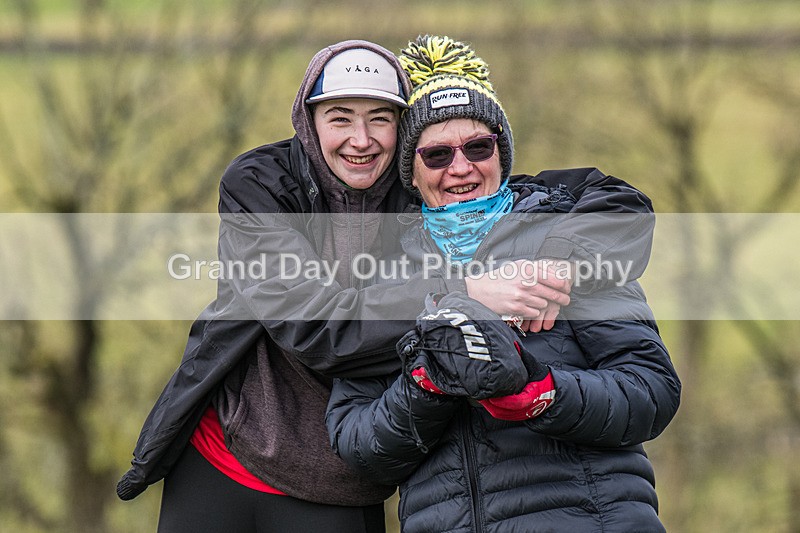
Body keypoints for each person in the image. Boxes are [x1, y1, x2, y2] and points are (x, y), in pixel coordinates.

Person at [117, 39, 656, 533]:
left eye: (380, 118)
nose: (361, 138)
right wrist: (464, 294)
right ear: (308, 123)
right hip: (227, 451)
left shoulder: (465, 208)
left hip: (341, 490)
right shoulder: (263, 183)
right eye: (339, 118)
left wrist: (561, 260)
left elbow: (617, 203)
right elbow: (319, 330)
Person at [326, 35, 682, 533]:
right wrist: (428, 383)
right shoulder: (383, 275)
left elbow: (651, 391)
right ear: (411, 169)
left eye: (478, 146)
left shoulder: (566, 238)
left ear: (501, 150)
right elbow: (357, 444)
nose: (461, 167)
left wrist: (540, 391)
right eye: (436, 155)